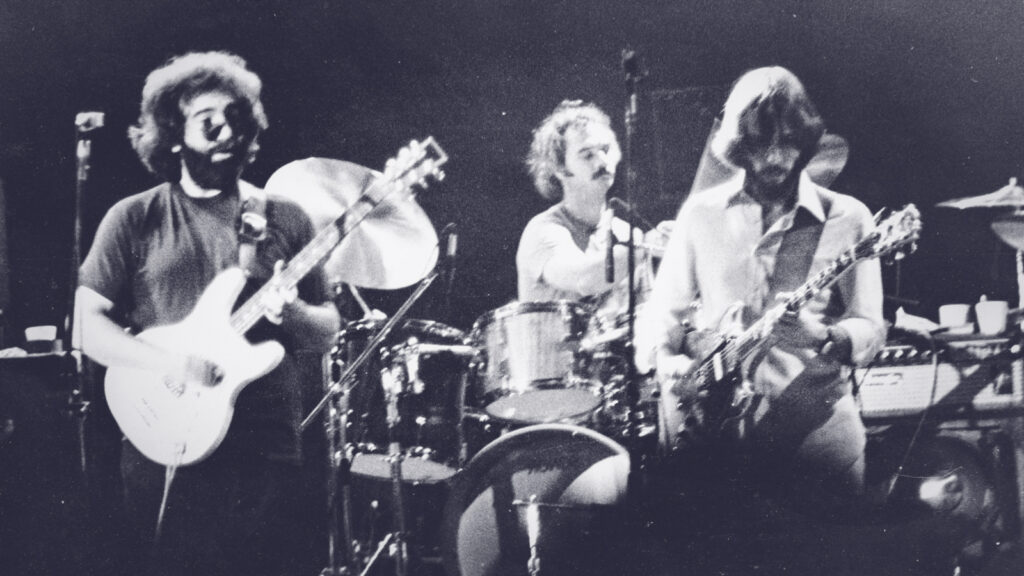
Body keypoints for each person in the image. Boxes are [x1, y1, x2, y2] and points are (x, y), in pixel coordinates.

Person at [74, 51, 340, 576]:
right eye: (208, 121)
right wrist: (166, 365)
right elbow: (87, 324)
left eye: (237, 119)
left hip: (266, 445)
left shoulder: (283, 216)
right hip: (166, 439)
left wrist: (292, 314)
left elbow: (327, 330)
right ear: (174, 134)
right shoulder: (135, 217)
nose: (226, 132)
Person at [638, 66, 886, 515]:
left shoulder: (849, 218)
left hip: (818, 440)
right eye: (759, 144)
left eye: (788, 142)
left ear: (806, 139)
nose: (775, 158)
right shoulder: (700, 215)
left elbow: (872, 327)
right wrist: (666, 360)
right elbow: (662, 314)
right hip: (720, 443)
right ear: (738, 145)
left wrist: (825, 337)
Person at [516, 100, 643, 311]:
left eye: (605, 149)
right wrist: (644, 247)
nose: (603, 162)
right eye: (588, 155)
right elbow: (585, 280)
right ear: (559, 169)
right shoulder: (542, 231)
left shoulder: (627, 233)